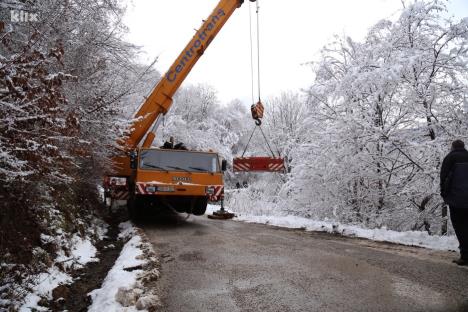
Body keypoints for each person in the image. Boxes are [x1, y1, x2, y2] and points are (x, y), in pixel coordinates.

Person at [440, 139, 468, 266]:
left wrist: (445, 196)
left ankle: (465, 256)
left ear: (452, 147)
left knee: (460, 227)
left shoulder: (450, 158)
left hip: (456, 200)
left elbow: (444, 178)